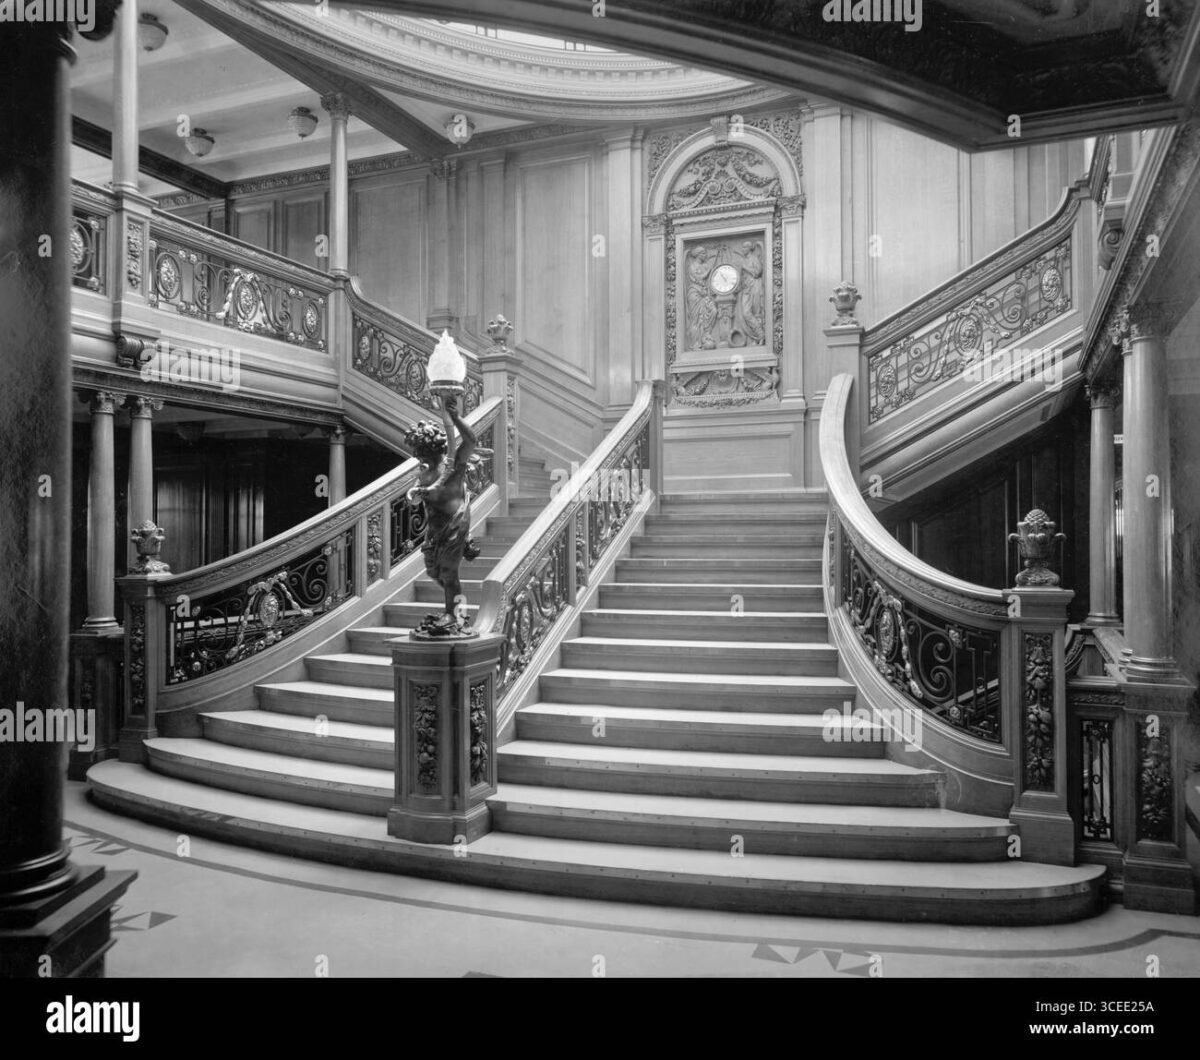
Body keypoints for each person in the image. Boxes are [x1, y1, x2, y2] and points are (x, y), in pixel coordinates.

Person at [404, 393, 482, 634]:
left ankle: (454, 615)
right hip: (433, 531)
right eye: (418, 452)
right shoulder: (426, 471)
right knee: (433, 572)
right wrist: (415, 493)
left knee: (448, 574)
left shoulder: (454, 467)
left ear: (432, 449)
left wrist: (455, 418)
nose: (419, 457)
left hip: (453, 527)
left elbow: (470, 441)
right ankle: (456, 610)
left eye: (421, 451)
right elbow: (422, 493)